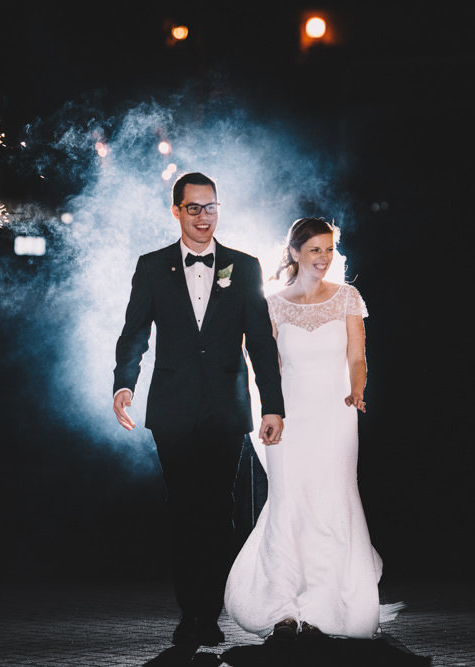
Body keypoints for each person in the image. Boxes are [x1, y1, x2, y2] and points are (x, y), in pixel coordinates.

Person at [112, 172, 285, 647]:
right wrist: (124, 383)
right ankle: (193, 612)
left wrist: (273, 405)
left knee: (219, 510)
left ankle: (207, 610)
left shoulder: (244, 266)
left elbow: (262, 344)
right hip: (172, 408)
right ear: (176, 211)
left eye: (211, 207)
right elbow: (134, 334)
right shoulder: (152, 266)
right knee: (184, 510)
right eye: (195, 208)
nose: (205, 216)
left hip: (227, 408)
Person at [224, 217, 400, 641]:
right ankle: (284, 606)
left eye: (329, 249)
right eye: (315, 249)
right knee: (288, 503)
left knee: (331, 499)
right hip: (288, 416)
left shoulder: (347, 298)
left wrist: (357, 390)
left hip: (335, 414)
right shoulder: (273, 303)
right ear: (295, 252)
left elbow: (357, 357)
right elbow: (264, 364)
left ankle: (327, 601)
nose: (324, 258)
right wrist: (270, 409)